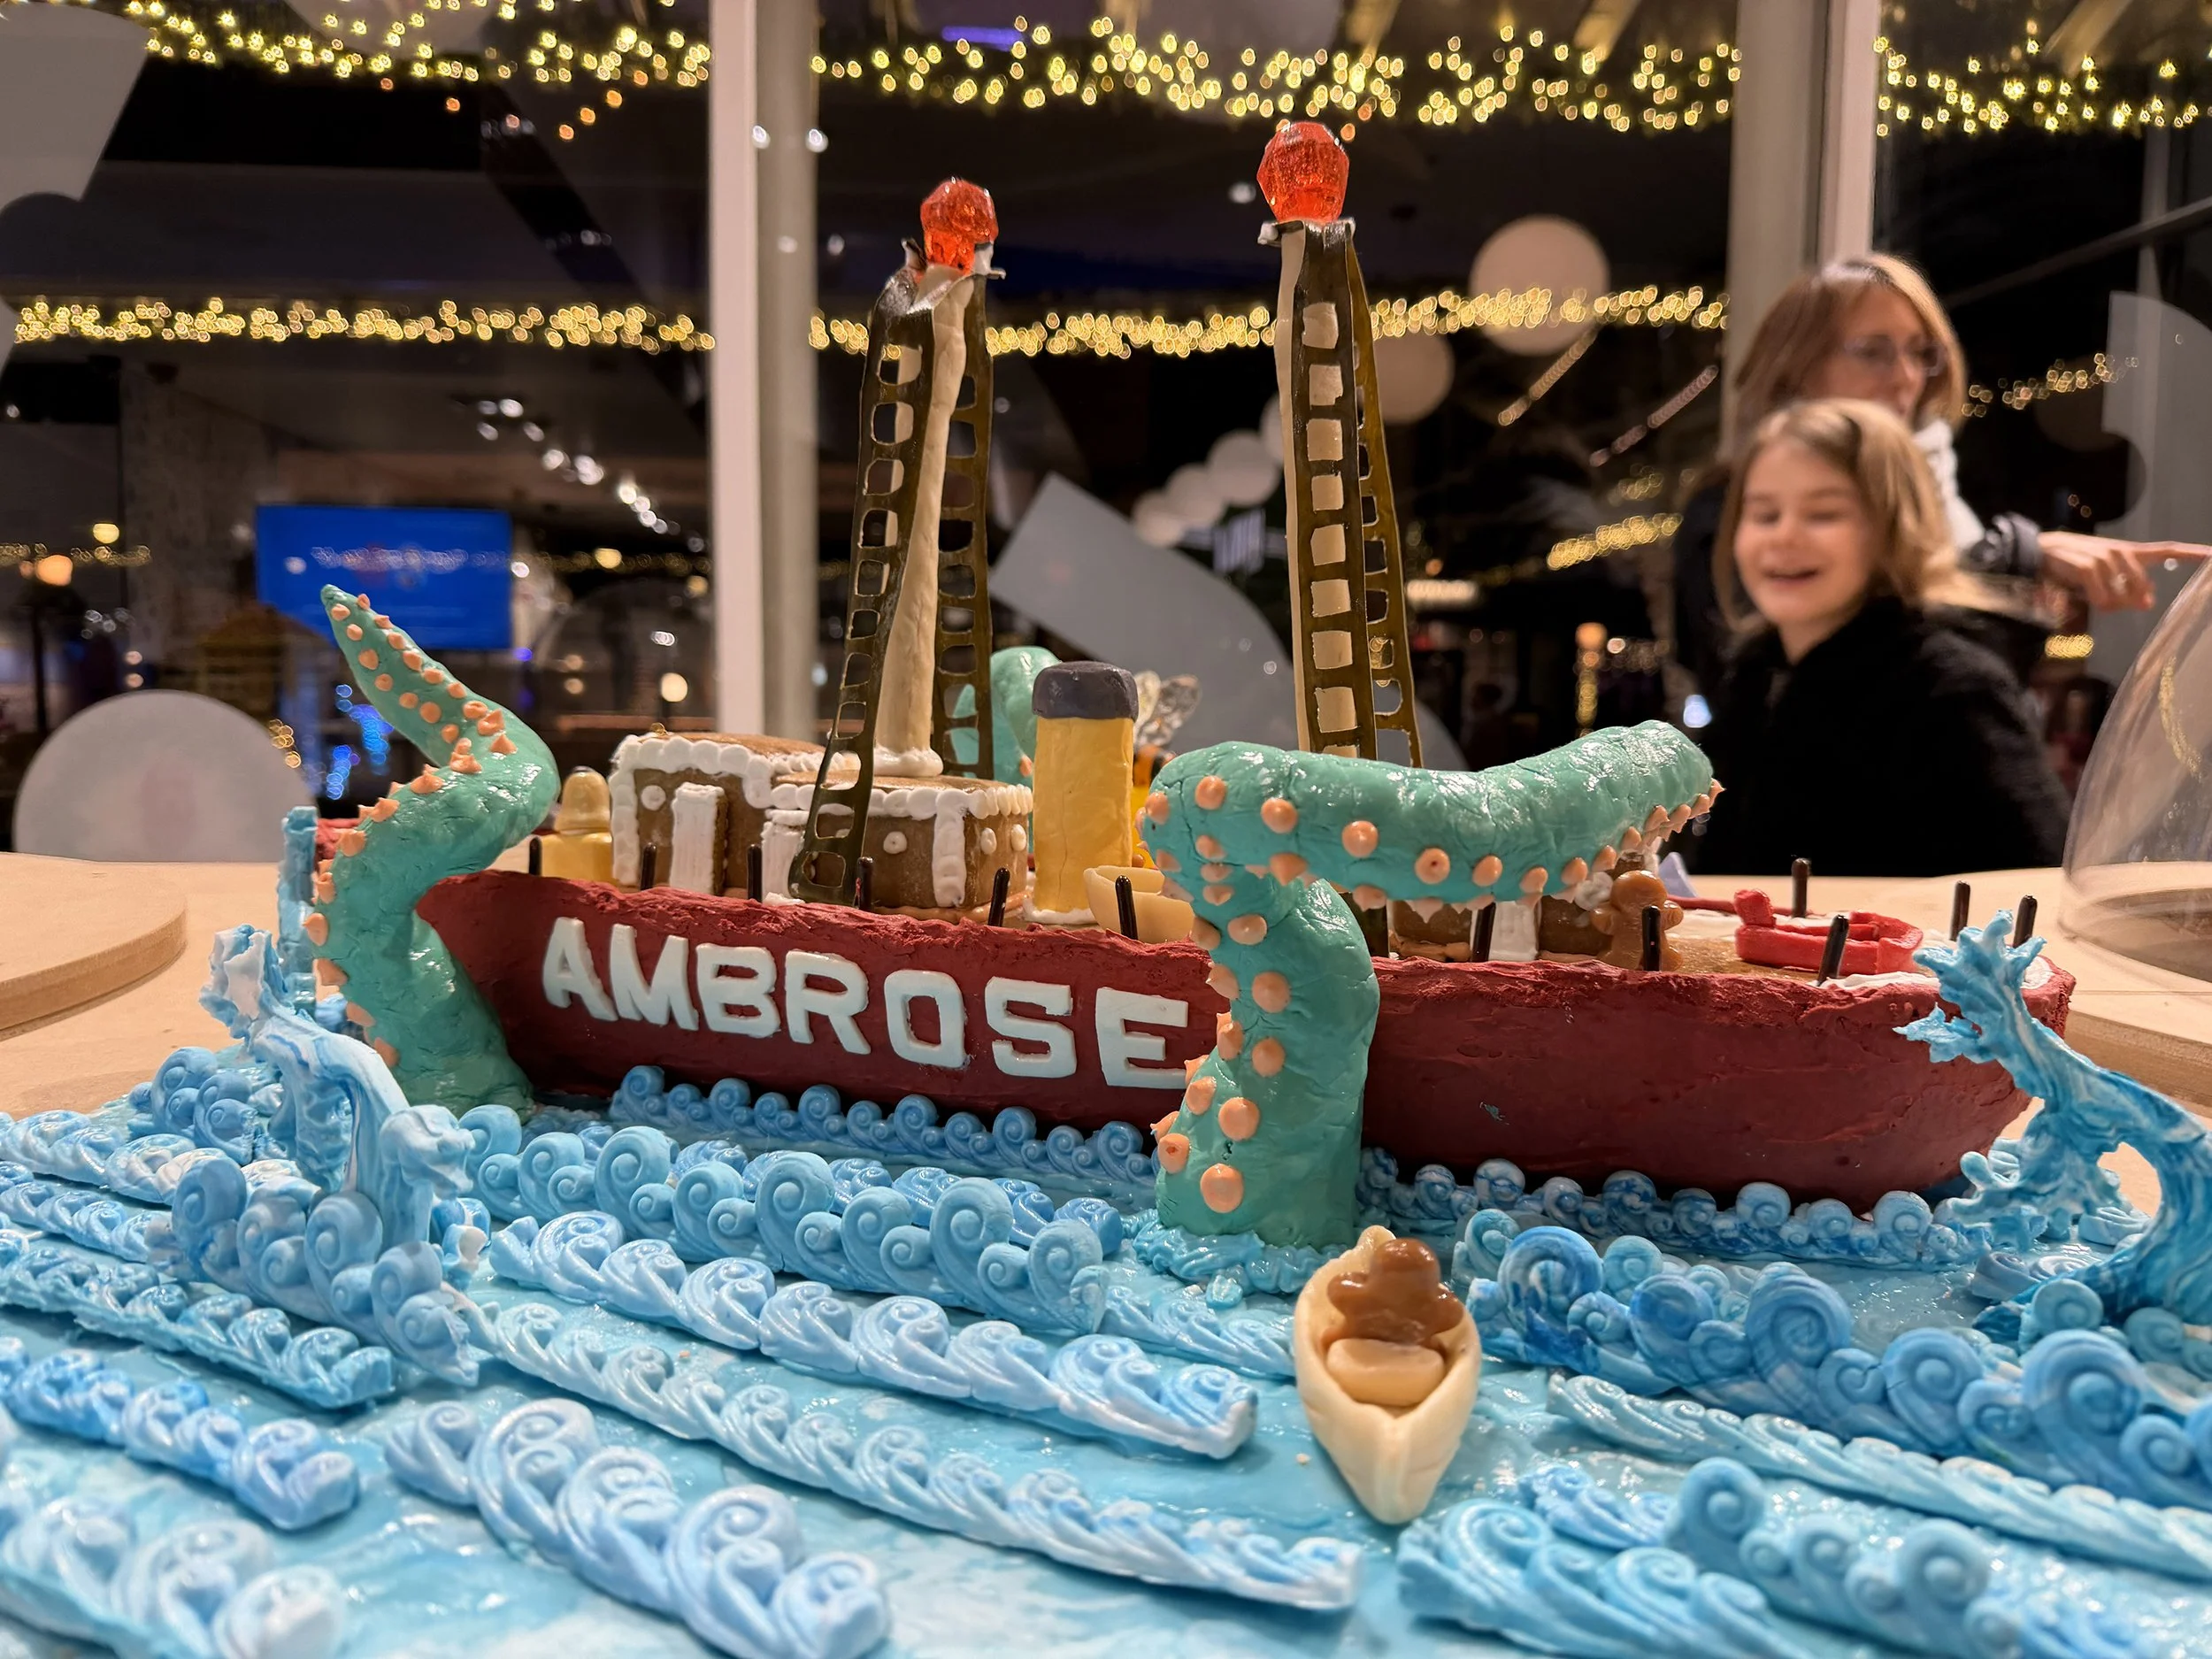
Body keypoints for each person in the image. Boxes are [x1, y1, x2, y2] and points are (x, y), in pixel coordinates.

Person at [1674, 254, 2208, 695]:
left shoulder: (1939, 493)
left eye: (1920, 354)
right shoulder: (1725, 511)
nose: (1906, 377)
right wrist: (2022, 557)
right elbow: (1828, 682)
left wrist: (2025, 560)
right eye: (1874, 352)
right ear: (1797, 366)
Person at [1690, 399, 2071, 878]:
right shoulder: (1752, 674)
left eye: (1824, 514)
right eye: (1765, 515)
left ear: (1896, 527)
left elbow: (2038, 883)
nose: (1783, 537)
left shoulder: (1951, 688)